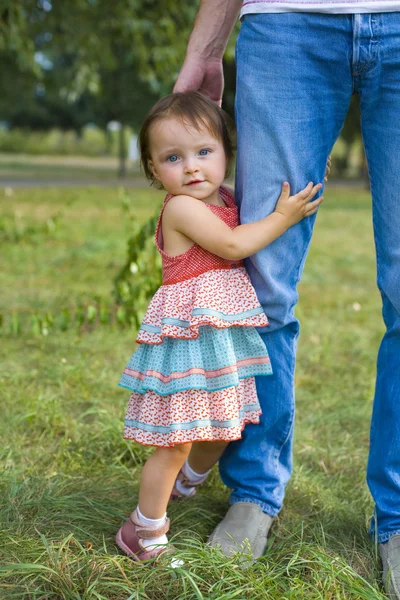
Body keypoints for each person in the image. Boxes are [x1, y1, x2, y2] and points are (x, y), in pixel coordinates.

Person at [173, 0, 400, 595]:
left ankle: (399, 515)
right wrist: (204, 47)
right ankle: (253, 490)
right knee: (263, 288)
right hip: (286, 23)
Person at [115, 91, 323, 563]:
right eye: (173, 158)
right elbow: (232, 245)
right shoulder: (181, 209)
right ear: (152, 170)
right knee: (175, 441)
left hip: (220, 343)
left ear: (228, 153)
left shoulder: (225, 197)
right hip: (189, 342)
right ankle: (143, 529)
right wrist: (282, 216)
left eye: (203, 152)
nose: (191, 168)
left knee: (223, 430)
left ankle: (186, 484)